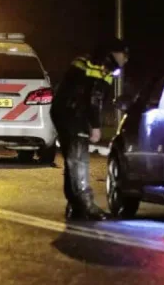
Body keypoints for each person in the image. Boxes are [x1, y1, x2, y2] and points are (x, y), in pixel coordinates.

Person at [51, 38, 129, 221]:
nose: (126, 59)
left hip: (63, 112)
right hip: (73, 114)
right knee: (79, 161)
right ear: (114, 53)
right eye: (124, 54)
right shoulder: (99, 67)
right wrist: (95, 126)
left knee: (73, 161)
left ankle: (75, 205)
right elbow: (94, 98)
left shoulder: (85, 61)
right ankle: (85, 204)